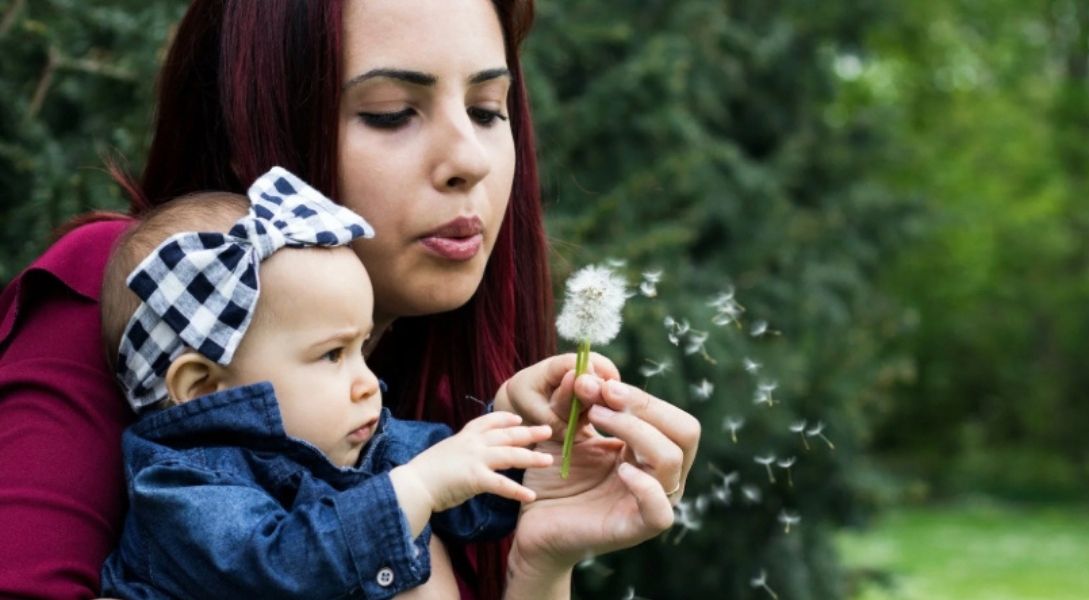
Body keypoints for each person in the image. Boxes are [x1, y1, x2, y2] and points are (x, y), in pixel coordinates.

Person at [0, 1, 702, 598]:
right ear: (257, 127)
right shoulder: (144, 292)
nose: (471, 160)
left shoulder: (401, 390)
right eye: (393, 112)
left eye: (488, 108)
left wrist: (544, 559)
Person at [99, 168, 557, 597]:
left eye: (362, 349)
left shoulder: (367, 445)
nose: (368, 384)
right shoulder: (179, 489)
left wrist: (537, 443)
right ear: (202, 388)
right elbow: (279, 568)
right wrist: (415, 489)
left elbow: (466, 486)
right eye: (333, 354)